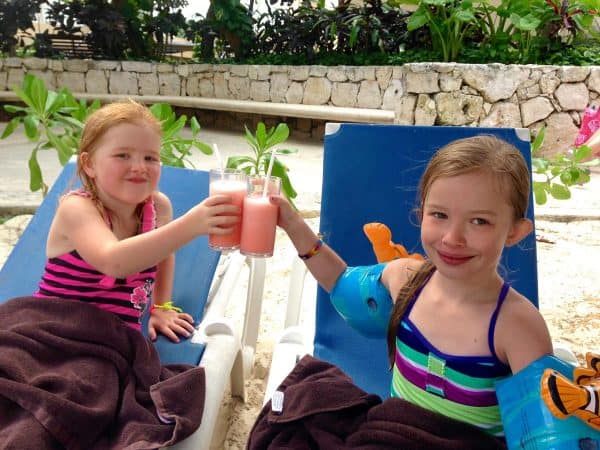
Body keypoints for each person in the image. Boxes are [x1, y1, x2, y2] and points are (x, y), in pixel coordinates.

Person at [270, 135, 553, 438]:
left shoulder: (517, 327)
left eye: (479, 221)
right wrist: (292, 224)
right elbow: (340, 285)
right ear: (421, 213)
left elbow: (544, 438)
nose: (452, 238)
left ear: (514, 231)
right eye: (439, 215)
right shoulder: (406, 280)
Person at [34, 100, 239, 342]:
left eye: (150, 158)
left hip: (112, 339)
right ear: (89, 164)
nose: (139, 167)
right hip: (52, 329)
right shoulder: (77, 208)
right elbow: (114, 262)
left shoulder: (159, 207)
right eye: (123, 155)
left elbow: (164, 255)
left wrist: (160, 307)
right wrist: (191, 225)